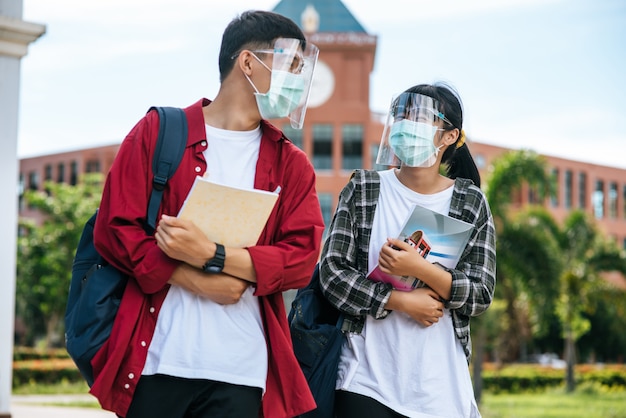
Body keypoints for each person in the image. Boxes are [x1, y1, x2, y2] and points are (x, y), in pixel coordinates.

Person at [90, 10, 325, 418]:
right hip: (156, 362)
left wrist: (211, 254)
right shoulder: (157, 132)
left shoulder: (292, 164)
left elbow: (301, 260)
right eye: (292, 66)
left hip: (241, 372)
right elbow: (115, 229)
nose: (300, 82)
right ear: (249, 62)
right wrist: (194, 278)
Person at [319, 82, 496, 417]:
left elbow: (480, 295)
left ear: (448, 136)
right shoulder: (365, 188)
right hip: (365, 379)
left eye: (419, 117)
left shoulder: (469, 202)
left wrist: (419, 269)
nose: (405, 123)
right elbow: (332, 274)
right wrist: (398, 300)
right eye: (401, 114)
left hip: (440, 388)